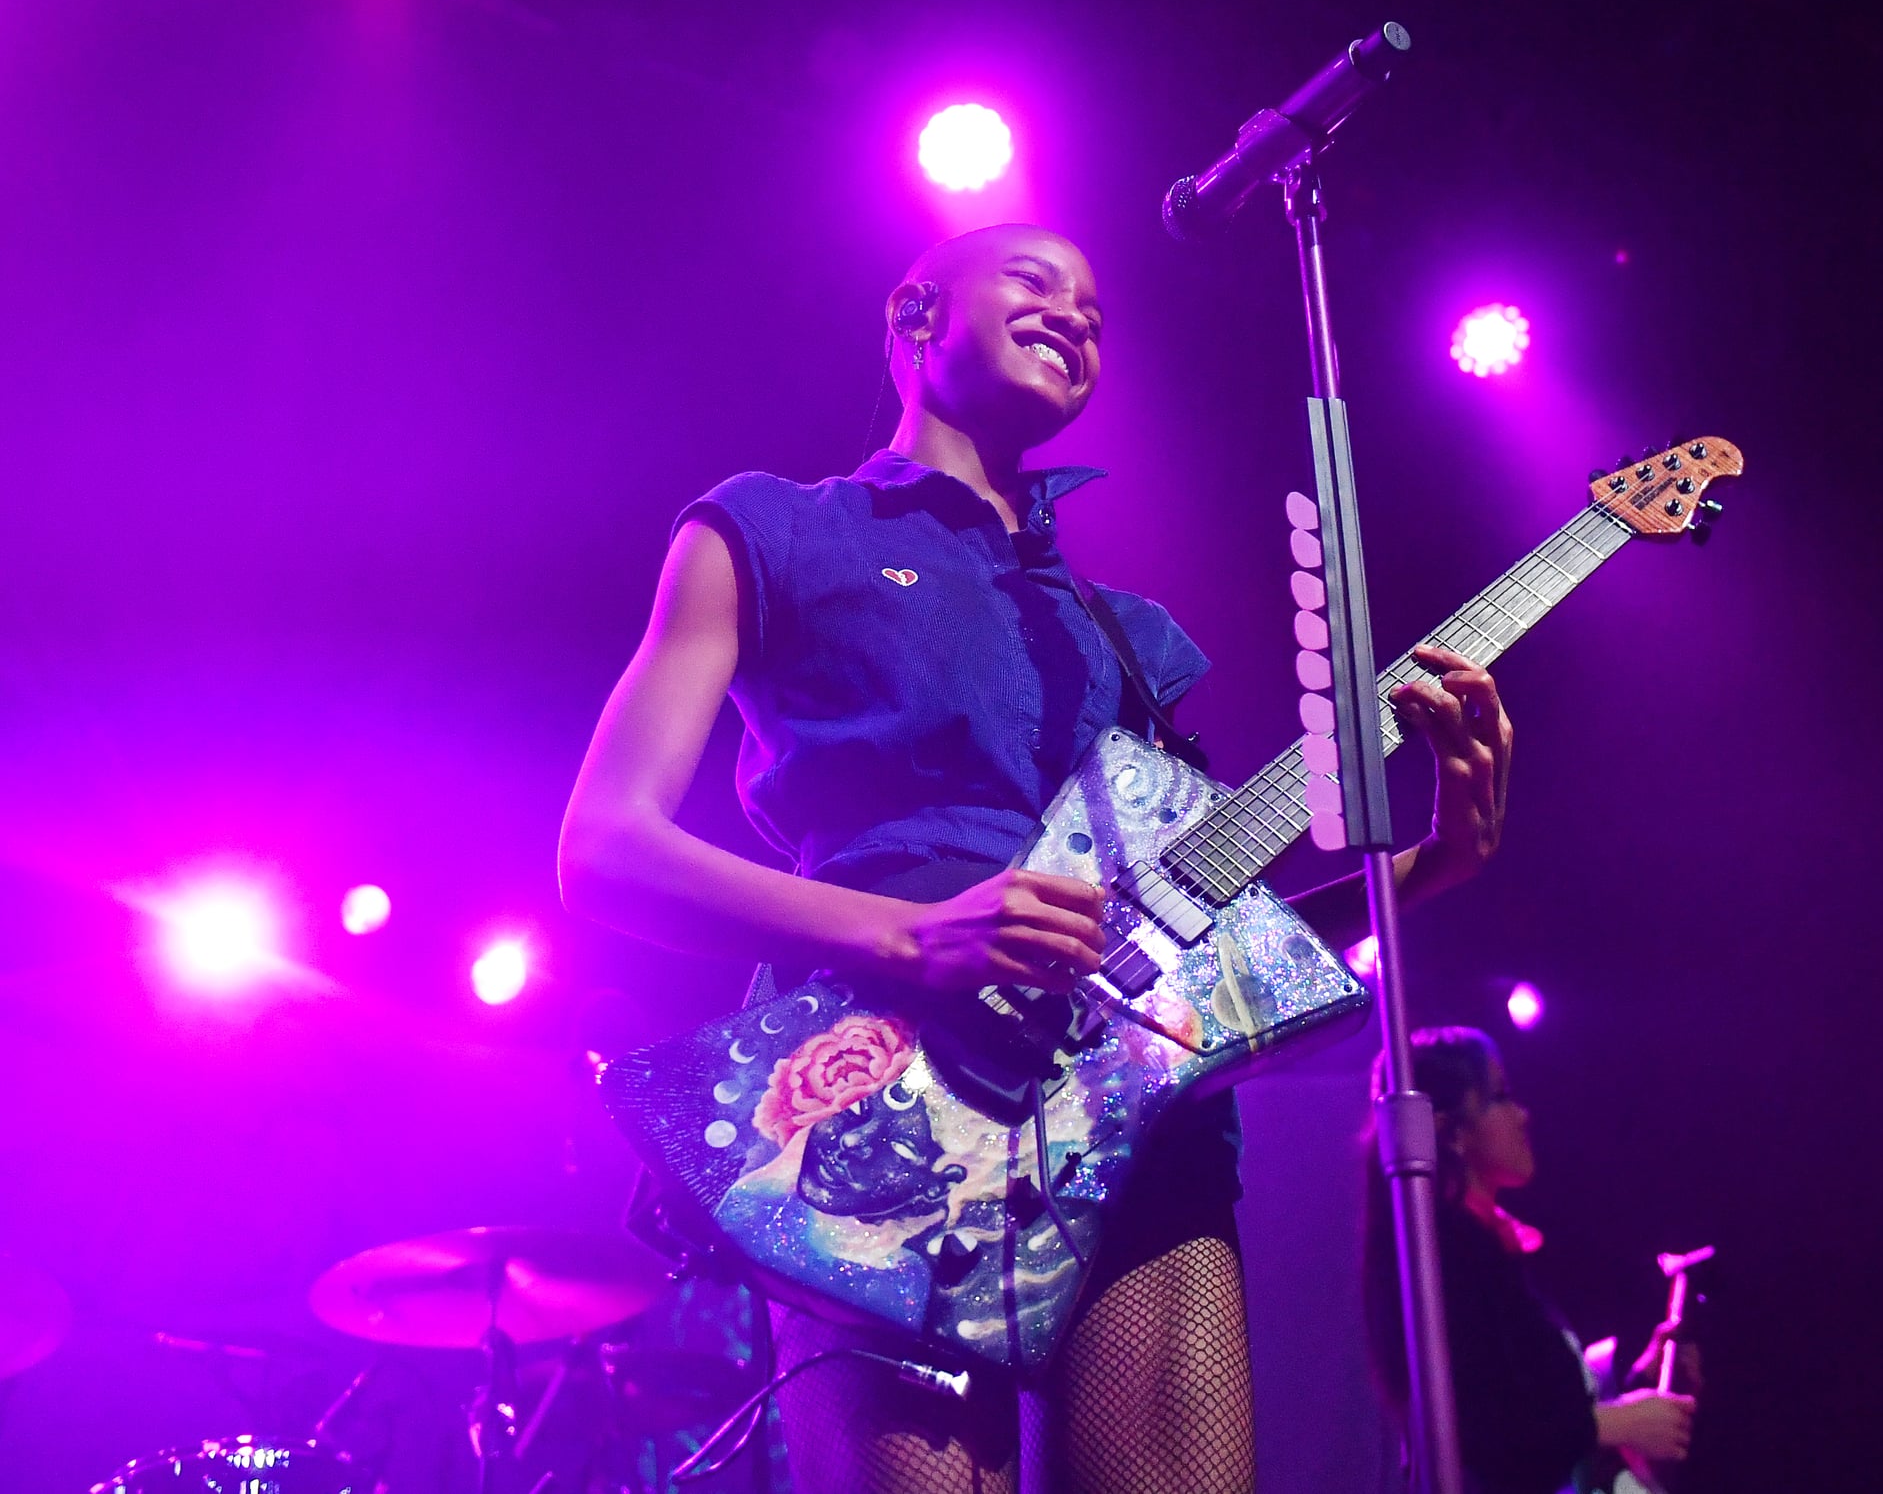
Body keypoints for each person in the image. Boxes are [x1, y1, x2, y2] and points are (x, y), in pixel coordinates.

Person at [559, 222, 1512, 1494]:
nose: (1075, 314)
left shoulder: (1129, 640)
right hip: (875, 1098)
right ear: (913, 314)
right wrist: (909, 931)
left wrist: (1427, 866)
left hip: (1137, 1123)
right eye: (1032, 280)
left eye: (1098, 311)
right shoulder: (769, 530)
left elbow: (1211, 935)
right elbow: (606, 848)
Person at [1363, 1027, 1697, 1494]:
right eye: (1500, 1097)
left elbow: (1531, 1408)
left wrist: (1637, 1381)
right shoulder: (1442, 1261)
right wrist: (1614, 1425)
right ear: (1452, 1132)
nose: (1523, 1114)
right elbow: (1480, 1432)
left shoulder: (1486, 1248)